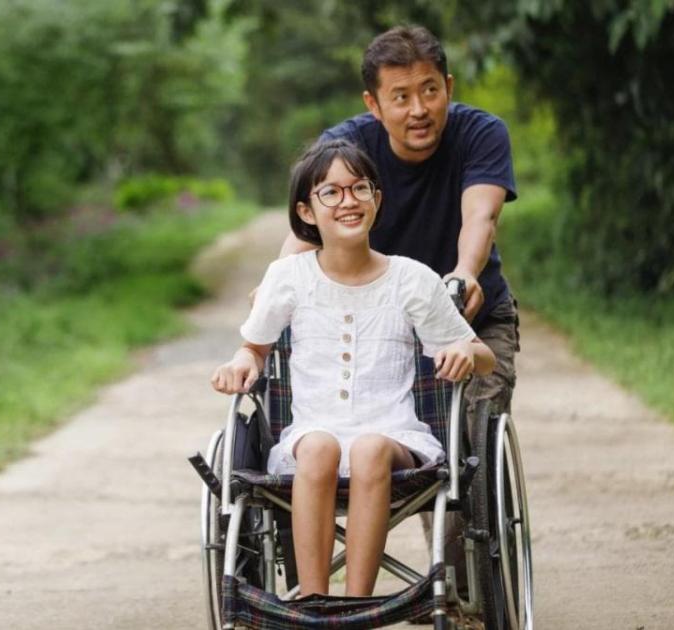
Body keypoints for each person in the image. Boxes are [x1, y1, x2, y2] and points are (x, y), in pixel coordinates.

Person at [274, 25, 520, 602]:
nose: (419, 109)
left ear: (448, 87)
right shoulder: (348, 147)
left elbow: (479, 218)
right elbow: (308, 226)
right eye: (401, 97)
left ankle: (461, 594)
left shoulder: (479, 133)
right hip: (372, 324)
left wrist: (461, 274)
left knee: (467, 445)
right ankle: (316, 592)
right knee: (322, 441)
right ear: (373, 103)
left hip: (465, 322)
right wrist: (274, 286)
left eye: (430, 91)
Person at [211, 138, 494, 598]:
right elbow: (254, 348)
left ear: (376, 201)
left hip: (394, 439)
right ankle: (316, 599)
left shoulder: (411, 278)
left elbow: (484, 355)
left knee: (368, 448)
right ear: (306, 212)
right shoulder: (288, 278)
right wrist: (240, 361)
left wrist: (466, 353)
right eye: (331, 192)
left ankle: (355, 606)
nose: (348, 201)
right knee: (320, 445)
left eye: (359, 189)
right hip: (311, 441)